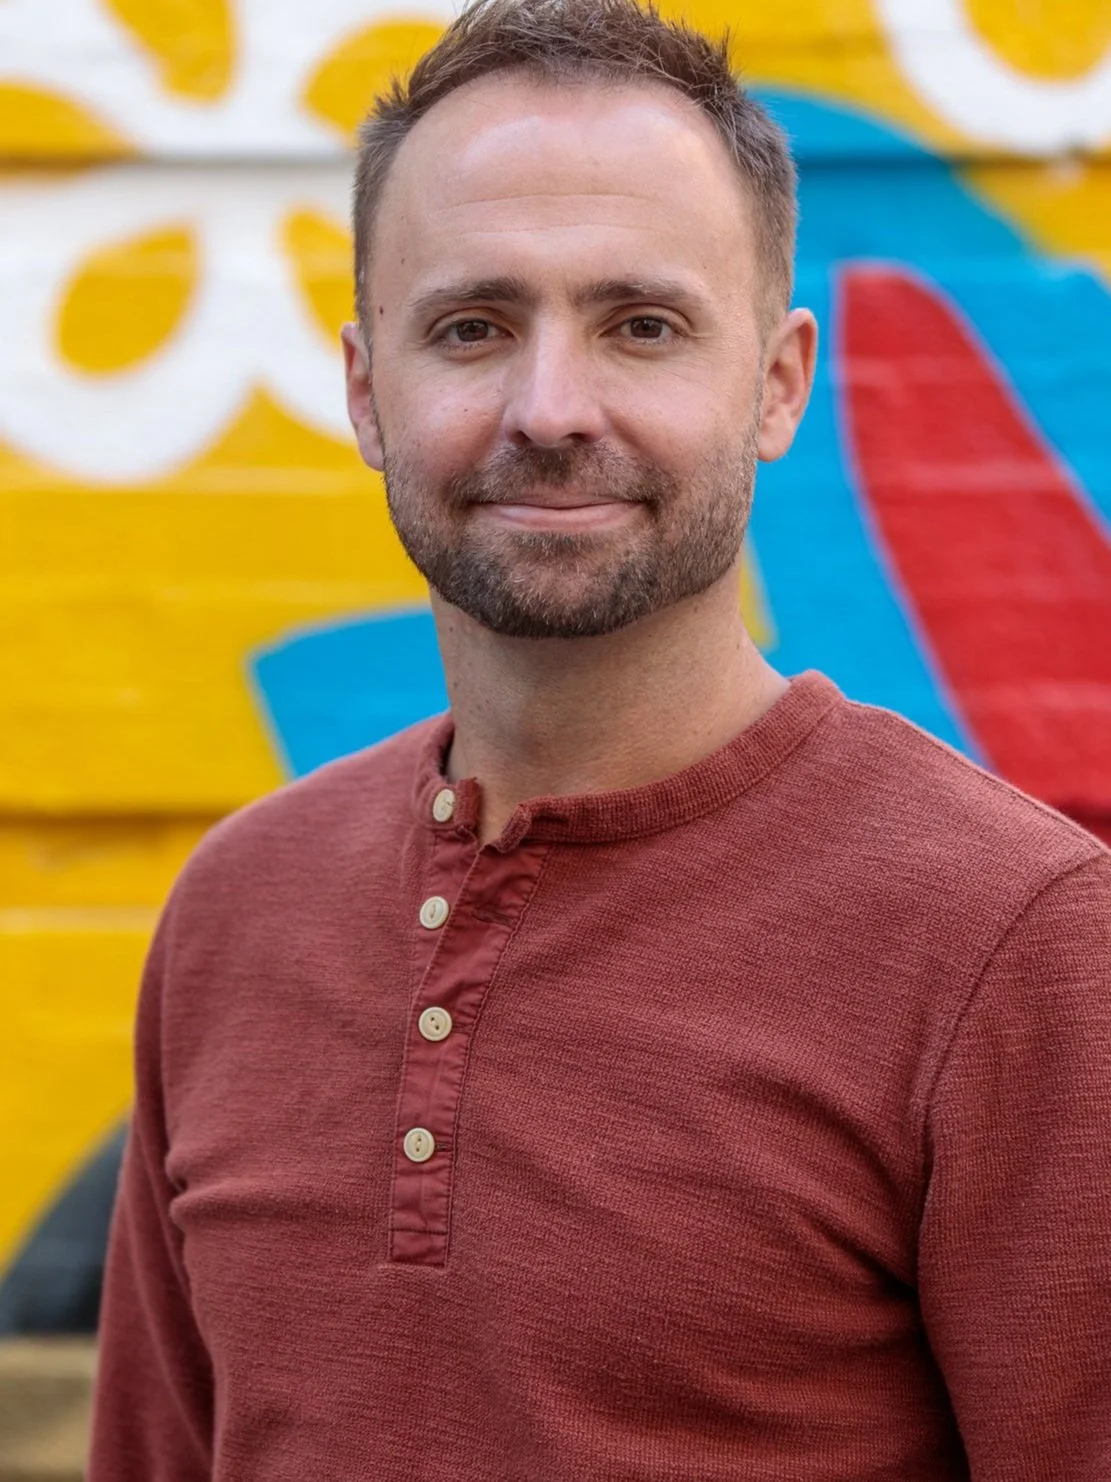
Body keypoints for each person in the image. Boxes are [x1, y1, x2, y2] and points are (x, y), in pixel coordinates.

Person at [88, 1, 1111, 1477]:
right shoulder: (238, 911)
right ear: (367, 388)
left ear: (774, 384)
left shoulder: (1010, 940)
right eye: (471, 327)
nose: (550, 408)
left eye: (640, 324)